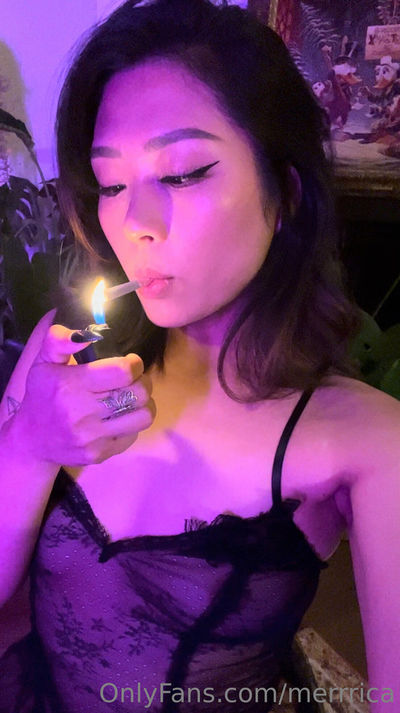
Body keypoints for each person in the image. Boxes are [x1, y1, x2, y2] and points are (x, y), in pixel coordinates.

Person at [0, 0, 399, 710]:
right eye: (111, 184)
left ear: (285, 192)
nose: (136, 223)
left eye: (183, 173)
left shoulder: (367, 440)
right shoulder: (64, 357)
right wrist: (29, 445)